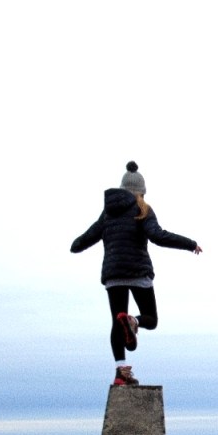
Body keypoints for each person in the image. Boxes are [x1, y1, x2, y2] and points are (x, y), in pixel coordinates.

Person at [71, 161, 202, 386]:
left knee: (115, 321)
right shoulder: (143, 209)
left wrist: (76, 245)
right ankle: (134, 321)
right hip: (138, 271)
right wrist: (190, 244)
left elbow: (88, 236)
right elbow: (158, 236)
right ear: (141, 191)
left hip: (113, 275)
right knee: (150, 319)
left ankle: (120, 372)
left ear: (122, 189)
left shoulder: (108, 213)